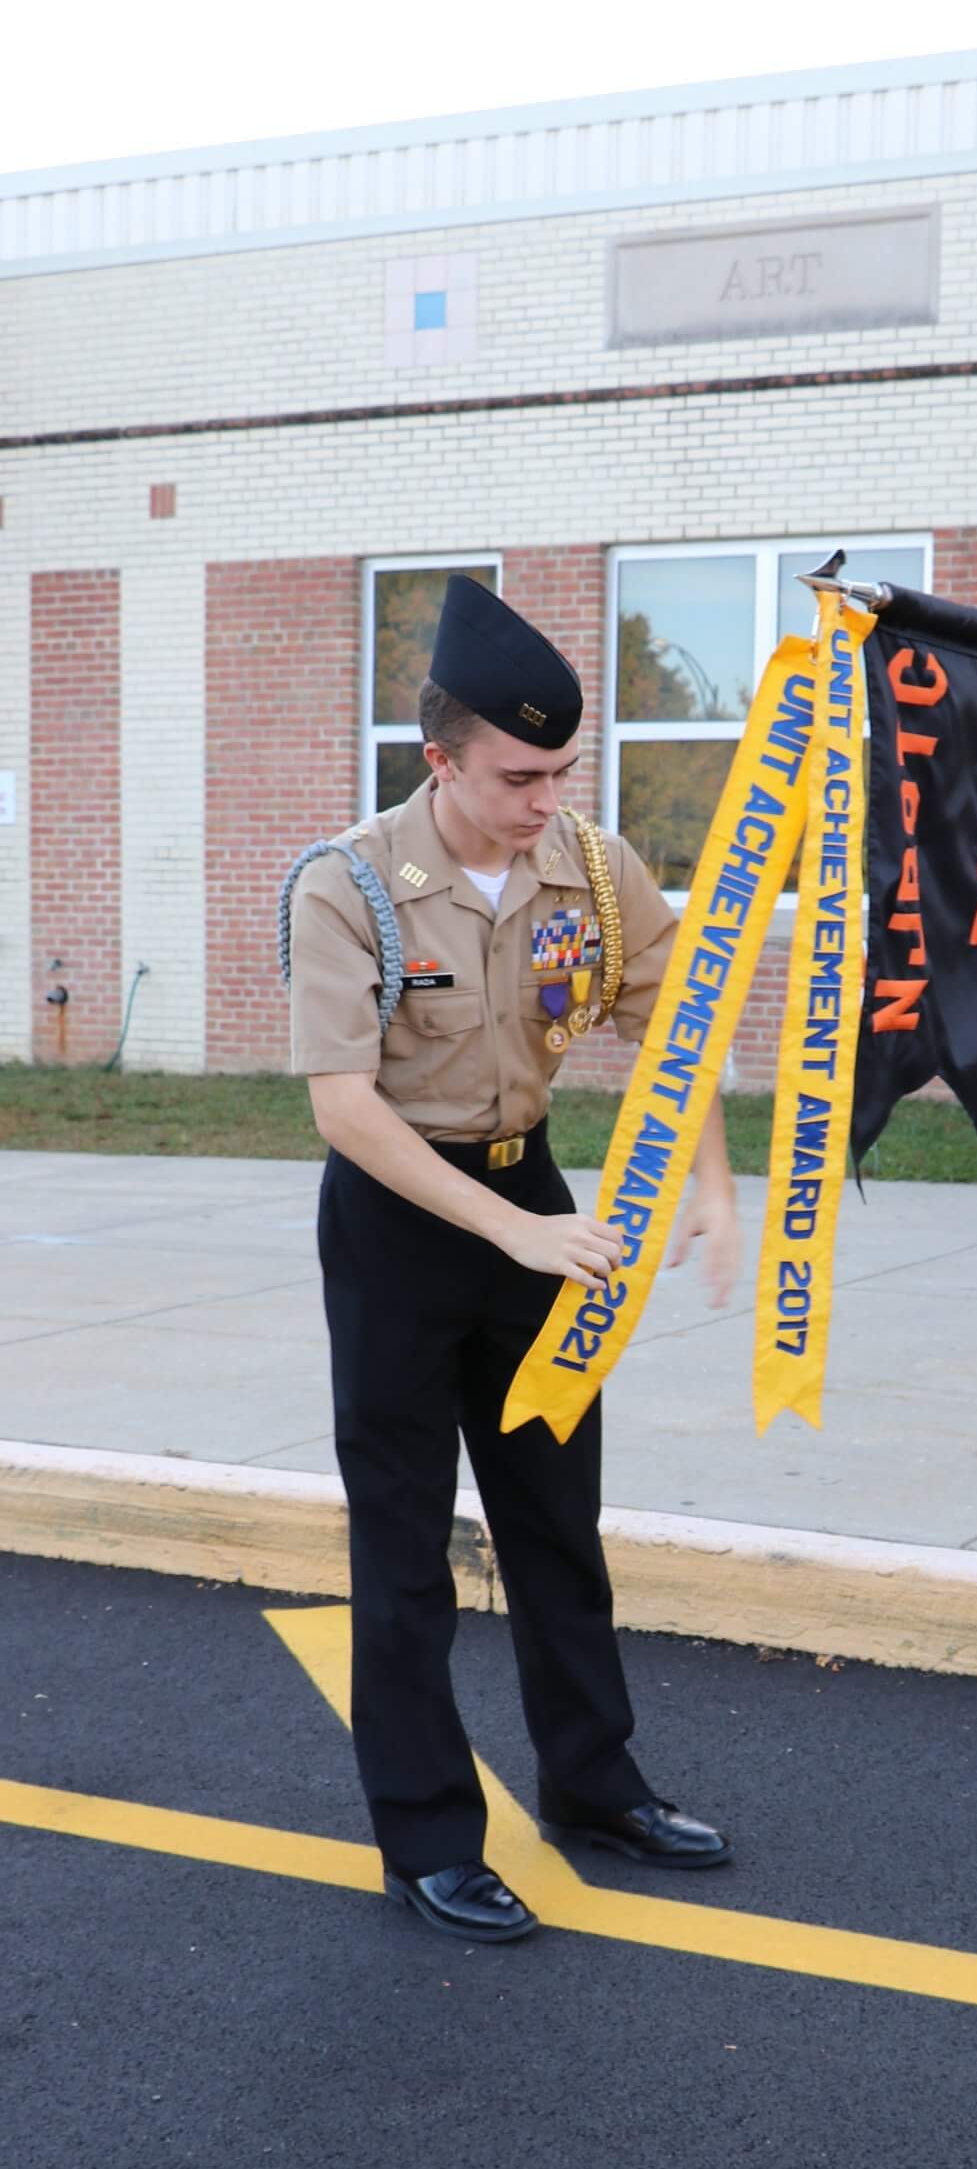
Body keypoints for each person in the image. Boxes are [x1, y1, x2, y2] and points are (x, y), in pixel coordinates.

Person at [283, 572, 740, 1943]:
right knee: (406, 1547)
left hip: (530, 1203)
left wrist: (712, 1187)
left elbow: (680, 1022)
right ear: (441, 759)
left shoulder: (594, 871)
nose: (547, 800)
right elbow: (342, 1104)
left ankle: (595, 1787)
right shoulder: (348, 882)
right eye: (520, 775)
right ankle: (426, 1837)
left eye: (562, 772)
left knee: (556, 1521)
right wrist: (515, 1233)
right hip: (399, 1224)